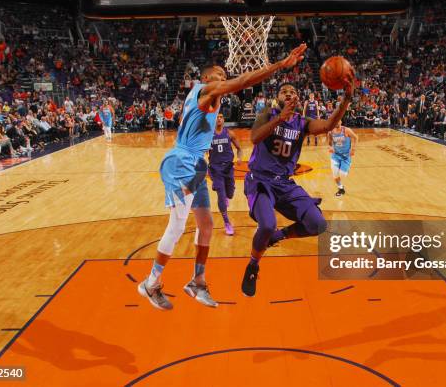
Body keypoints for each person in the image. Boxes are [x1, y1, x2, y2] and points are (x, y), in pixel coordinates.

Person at [139, 44, 308, 310]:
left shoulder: (210, 100)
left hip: (196, 165)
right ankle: (150, 283)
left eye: (224, 75)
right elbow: (242, 81)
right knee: (178, 225)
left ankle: (197, 281)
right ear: (206, 79)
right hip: (181, 161)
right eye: (219, 74)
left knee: (206, 225)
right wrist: (280, 65)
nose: (223, 78)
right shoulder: (204, 90)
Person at [241, 75, 355, 297]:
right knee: (266, 225)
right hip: (260, 180)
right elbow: (254, 137)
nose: (289, 93)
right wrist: (280, 119)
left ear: (298, 98)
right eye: (284, 91)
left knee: (318, 224)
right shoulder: (267, 114)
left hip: (284, 184)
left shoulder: (303, 123)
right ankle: (253, 265)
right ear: (277, 98)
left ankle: (280, 236)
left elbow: (329, 125)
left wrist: (346, 99)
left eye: (293, 91)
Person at [208, 113, 243, 235]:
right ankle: (227, 223)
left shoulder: (229, 133)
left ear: (223, 120)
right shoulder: (208, 136)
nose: (218, 118)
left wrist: (239, 159)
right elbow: (200, 151)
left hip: (228, 168)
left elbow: (239, 149)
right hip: (215, 170)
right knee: (221, 197)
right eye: (217, 117)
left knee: (230, 194)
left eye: (221, 117)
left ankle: (226, 196)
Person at [328, 120, 357, 196]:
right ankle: (340, 188)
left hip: (345, 156)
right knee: (335, 174)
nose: (337, 122)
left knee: (342, 174)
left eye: (338, 121)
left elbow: (355, 138)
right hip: (335, 155)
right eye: (335, 121)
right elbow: (330, 142)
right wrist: (330, 147)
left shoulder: (346, 130)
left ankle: (348, 165)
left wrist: (353, 149)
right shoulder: (330, 132)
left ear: (341, 122)